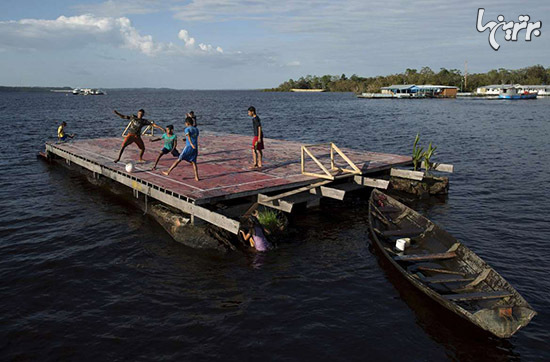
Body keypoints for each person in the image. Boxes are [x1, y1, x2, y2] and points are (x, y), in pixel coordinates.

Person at [162, 117, 200, 181]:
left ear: (187, 123)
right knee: (194, 162)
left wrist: (190, 144)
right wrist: (186, 140)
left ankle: (168, 172)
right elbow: (193, 137)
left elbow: (188, 135)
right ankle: (196, 177)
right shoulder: (196, 129)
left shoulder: (187, 129)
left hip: (189, 147)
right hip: (195, 147)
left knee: (179, 159)